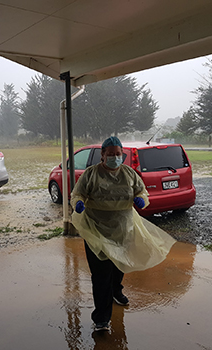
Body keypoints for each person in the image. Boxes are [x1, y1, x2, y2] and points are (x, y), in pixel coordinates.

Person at [71, 136, 175, 332]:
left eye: (118, 154)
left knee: (119, 264)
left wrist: (142, 200)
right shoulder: (91, 174)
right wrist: (78, 203)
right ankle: (102, 317)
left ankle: (116, 291)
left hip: (122, 228)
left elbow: (142, 192)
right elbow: (77, 193)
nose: (114, 158)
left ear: (122, 155)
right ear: (102, 155)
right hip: (96, 230)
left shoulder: (129, 173)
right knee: (101, 274)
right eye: (110, 154)